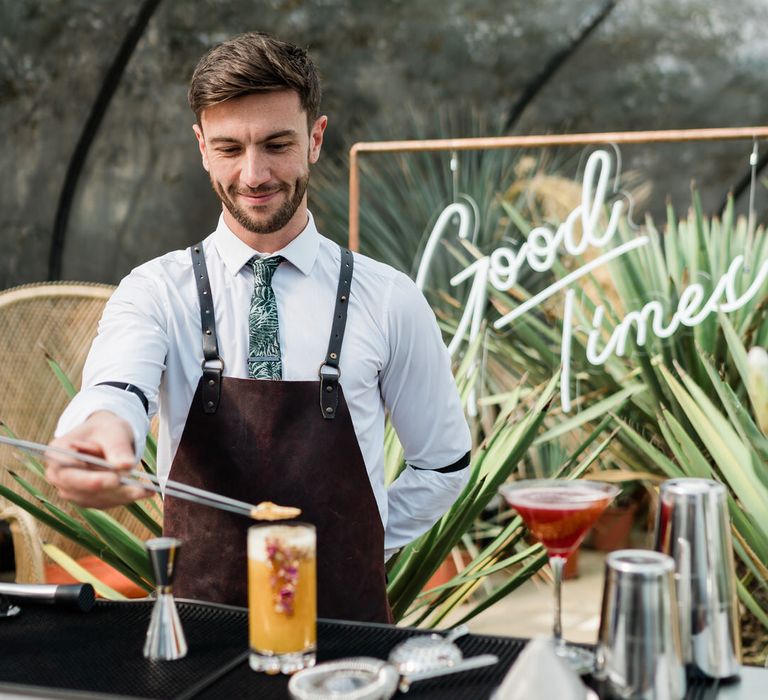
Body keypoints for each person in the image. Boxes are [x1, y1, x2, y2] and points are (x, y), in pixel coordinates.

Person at [47, 31, 471, 623]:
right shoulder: (155, 292)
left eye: (277, 144)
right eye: (229, 148)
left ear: (315, 139)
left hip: (345, 634)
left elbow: (444, 465)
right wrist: (98, 435)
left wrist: (352, 545)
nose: (254, 173)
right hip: (200, 629)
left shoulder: (389, 299)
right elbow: (116, 389)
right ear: (200, 147)